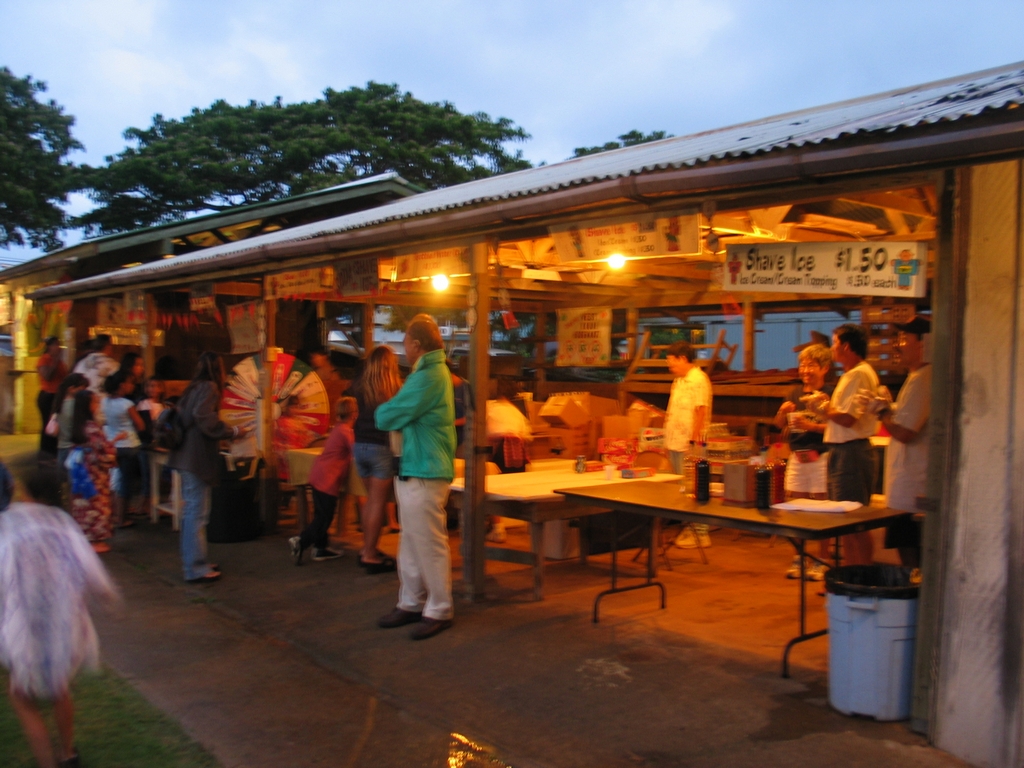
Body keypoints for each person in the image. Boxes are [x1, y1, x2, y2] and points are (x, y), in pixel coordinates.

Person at [0, 465, 119, 768]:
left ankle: (47, 763)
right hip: (63, 626)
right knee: (58, 688)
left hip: (25, 626)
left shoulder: (10, 524)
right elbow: (95, 576)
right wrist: (107, 598)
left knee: (21, 696)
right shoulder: (64, 523)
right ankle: (67, 754)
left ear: (24, 490)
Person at [375, 314, 457, 641]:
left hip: (425, 470)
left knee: (428, 542)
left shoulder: (430, 376)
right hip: (415, 468)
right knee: (410, 540)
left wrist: (386, 407)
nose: (403, 348)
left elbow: (387, 415)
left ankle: (439, 607)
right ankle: (410, 601)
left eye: (405, 341)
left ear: (417, 345)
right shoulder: (430, 374)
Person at [168, 352, 249, 584]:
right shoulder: (210, 388)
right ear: (219, 369)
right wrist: (232, 431)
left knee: (191, 513)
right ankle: (195, 568)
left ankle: (195, 560)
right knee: (197, 513)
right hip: (196, 458)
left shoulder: (193, 388)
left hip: (184, 457)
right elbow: (204, 417)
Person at [808, 323, 880, 565]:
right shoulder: (853, 374)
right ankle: (852, 575)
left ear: (846, 346)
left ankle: (858, 576)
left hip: (851, 452)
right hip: (844, 450)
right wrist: (826, 407)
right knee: (846, 520)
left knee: (853, 520)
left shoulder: (859, 374)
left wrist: (823, 408)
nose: (833, 348)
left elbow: (848, 418)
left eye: (835, 343)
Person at [774, 343, 834, 580]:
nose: (805, 370)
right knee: (795, 508)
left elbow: (836, 427)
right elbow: (779, 425)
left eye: (811, 365)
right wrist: (781, 413)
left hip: (821, 456)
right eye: (803, 364)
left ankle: (824, 560)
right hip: (797, 456)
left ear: (825, 368)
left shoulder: (830, 394)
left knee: (823, 509)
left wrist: (811, 426)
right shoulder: (794, 394)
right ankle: (800, 556)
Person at [876, 316, 932, 568]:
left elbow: (905, 433)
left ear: (925, 344)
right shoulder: (917, 376)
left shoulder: (925, 378)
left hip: (913, 488)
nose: (897, 346)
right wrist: (889, 407)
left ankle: (916, 606)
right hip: (906, 488)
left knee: (913, 561)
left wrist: (881, 412)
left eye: (904, 339)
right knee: (908, 553)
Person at [349, 346, 403, 573]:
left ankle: (367, 548)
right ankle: (370, 553)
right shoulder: (393, 389)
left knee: (370, 501)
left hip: (359, 446)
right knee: (377, 504)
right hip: (381, 448)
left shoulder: (358, 386)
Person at [289, 396, 357, 565]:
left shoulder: (338, 429)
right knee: (324, 517)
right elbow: (356, 452)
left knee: (322, 514)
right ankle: (301, 541)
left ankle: (320, 547)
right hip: (328, 479)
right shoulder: (346, 432)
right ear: (354, 414)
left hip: (319, 476)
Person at [664, 340, 713, 549]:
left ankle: (701, 531)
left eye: (672, 362)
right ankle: (688, 526)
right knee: (681, 488)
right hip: (675, 441)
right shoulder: (679, 381)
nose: (670, 367)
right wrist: (666, 439)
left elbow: (701, 411)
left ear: (683, 358)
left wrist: (693, 440)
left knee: (695, 487)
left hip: (690, 443)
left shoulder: (698, 379)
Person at [67, 390, 118, 554]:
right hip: (95, 474)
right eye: (95, 402)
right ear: (89, 406)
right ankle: (94, 539)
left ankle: (86, 537)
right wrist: (112, 453)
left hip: (81, 471)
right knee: (96, 506)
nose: (97, 406)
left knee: (82, 505)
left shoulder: (78, 426)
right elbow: (102, 452)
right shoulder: (92, 428)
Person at [484, 377, 533, 543]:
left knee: (493, 489)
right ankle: (524, 522)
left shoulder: (489, 406)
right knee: (514, 488)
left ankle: (498, 529)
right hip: (517, 450)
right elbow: (527, 435)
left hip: (500, 449)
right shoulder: (516, 411)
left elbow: (483, 430)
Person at [102, 371, 145, 526]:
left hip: (113, 445)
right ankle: (121, 518)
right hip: (129, 445)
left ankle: (112, 515)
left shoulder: (104, 402)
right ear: (122, 385)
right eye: (130, 383)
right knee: (125, 483)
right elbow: (140, 425)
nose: (132, 386)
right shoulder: (127, 404)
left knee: (114, 481)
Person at [53, 374, 89, 485]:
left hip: (61, 449)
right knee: (76, 485)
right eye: (82, 388)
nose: (84, 391)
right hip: (75, 450)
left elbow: (54, 431)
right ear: (71, 389)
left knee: (66, 485)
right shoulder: (77, 405)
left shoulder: (58, 404)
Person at [36, 337, 68, 455]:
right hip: (47, 396)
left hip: (57, 396)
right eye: (56, 345)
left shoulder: (59, 362)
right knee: (48, 424)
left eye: (59, 345)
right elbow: (47, 376)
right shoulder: (44, 360)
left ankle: (53, 451)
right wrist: (55, 360)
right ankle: (46, 452)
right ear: (49, 346)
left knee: (55, 424)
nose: (58, 347)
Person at [309, 346, 348, 421]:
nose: (314, 359)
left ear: (324, 357)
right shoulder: (314, 373)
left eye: (316, 356)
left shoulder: (333, 374)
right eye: (312, 357)